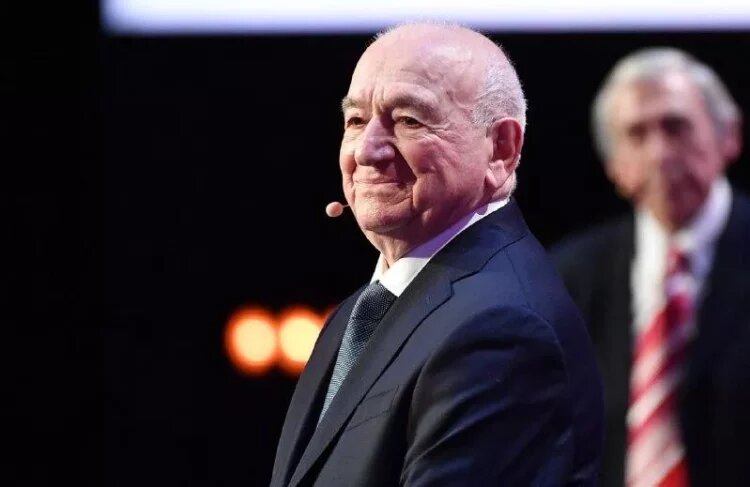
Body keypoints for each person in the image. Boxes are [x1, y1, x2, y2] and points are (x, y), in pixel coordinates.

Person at [270, 23, 604, 487]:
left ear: (501, 150)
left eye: (409, 120)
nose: (367, 151)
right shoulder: (364, 309)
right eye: (356, 121)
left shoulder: (501, 329)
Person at [552, 47, 750, 487]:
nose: (660, 153)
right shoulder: (570, 277)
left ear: (729, 136)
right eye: (637, 134)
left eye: (676, 127)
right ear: (614, 167)